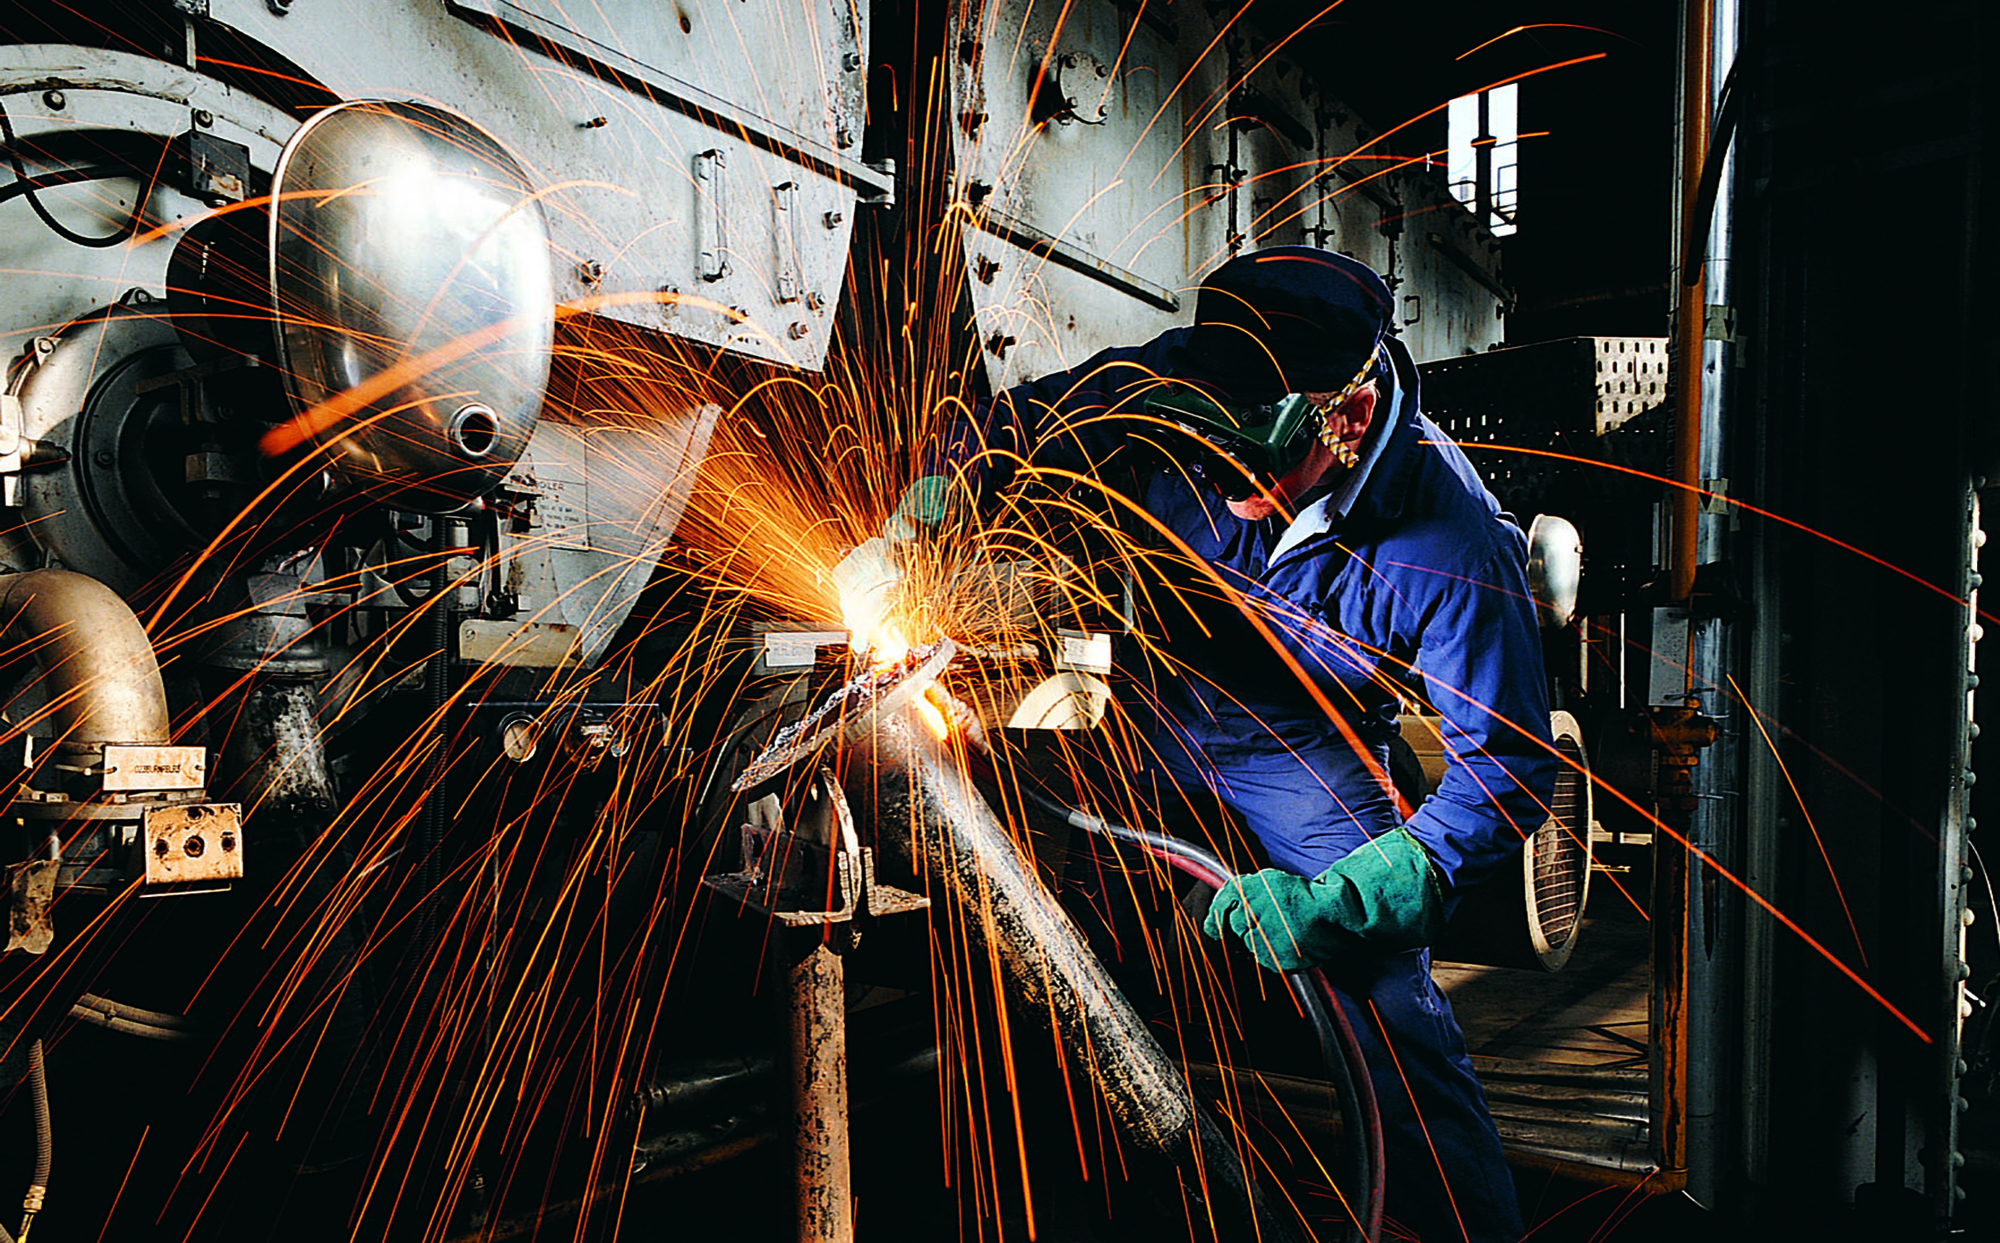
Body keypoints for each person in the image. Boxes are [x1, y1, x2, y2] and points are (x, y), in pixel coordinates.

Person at [839, 246, 1555, 1242]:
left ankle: (1450, 1225)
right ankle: (1091, 1191)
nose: (1217, 489)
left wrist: (1335, 904)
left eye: (1243, 465)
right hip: (1139, 696)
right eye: (1195, 451)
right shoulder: (1171, 379)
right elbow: (1006, 426)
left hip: (1297, 742)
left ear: (1341, 418)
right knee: (1038, 927)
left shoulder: (1450, 535)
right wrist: (921, 515)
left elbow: (1502, 776)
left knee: (1378, 996)